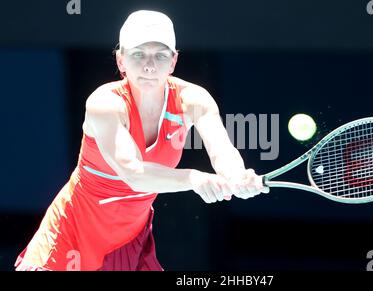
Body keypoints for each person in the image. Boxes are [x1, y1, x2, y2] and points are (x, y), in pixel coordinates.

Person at [14, 10, 268, 271]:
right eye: (138, 54)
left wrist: (237, 175)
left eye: (160, 55)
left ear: (173, 61)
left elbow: (222, 150)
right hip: (71, 236)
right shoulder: (105, 104)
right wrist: (193, 178)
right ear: (121, 60)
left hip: (129, 242)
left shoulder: (194, 100)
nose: (149, 65)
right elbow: (133, 174)